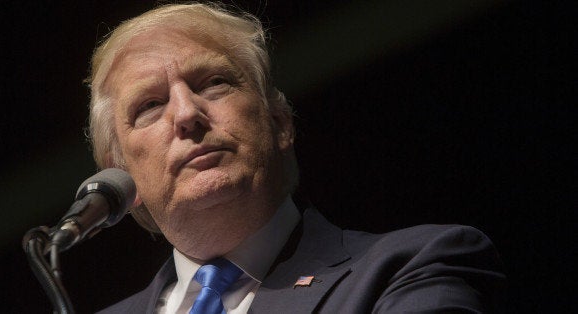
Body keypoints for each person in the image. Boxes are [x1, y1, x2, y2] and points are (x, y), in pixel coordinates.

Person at [84, 2, 505, 313]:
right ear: (121, 177)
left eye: (214, 83)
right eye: (150, 106)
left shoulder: (412, 266)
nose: (187, 113)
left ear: (280, 123)